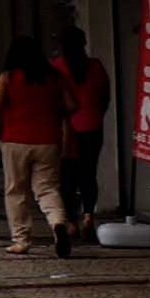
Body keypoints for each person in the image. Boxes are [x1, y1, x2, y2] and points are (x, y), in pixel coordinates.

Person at [0, 38, 76, 255]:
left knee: (16, 190)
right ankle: (58, 223)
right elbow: (72, 105)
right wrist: (53, 114)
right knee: (48, 188)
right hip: (48, 140)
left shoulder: (8, 78)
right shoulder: (55, 77)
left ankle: (21, 240)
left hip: (14, 140)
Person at [55, 28, 113, 235]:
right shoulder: (96, 66)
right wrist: (95, 114)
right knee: (89, 173)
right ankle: (89, 214)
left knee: (67, 177)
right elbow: (105, 97)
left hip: (66, 130)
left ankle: (71, 221)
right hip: (92, 126)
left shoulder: (56, 67)